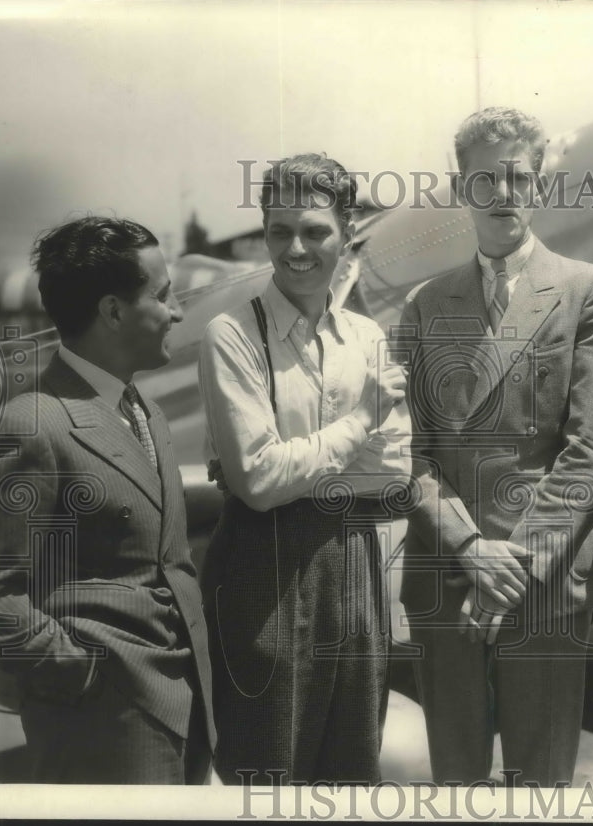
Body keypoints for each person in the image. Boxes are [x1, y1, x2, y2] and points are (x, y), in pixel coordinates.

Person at [393, 107, 593, 786]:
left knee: (541, 783)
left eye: (518, 177)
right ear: (461, 189)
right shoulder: (424, 305)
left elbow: (589, 449)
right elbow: (410, 450)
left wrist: (512, 572)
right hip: (447, 575)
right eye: (485, 179)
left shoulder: (588, 292)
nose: (504, 194)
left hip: (542, 583)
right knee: (456, 781)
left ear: (540, 184)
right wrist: (470, 549)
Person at [197, 153, 412, 785]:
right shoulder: (231, 335)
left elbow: (394, 481)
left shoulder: (368, 337)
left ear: (348, 230)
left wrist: (291, 462)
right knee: (267, 767)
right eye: (278, 230)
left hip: (353, 564)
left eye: (315, 230)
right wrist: (358, 424)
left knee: (351, 768)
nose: (296, 248)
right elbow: (260, 486)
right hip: (259, 572)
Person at [0, 216, 216, 784]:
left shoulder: (147, 413)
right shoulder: (33, 423)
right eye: (163, 296)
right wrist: (84, 676)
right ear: (113, 311)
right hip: (101, 727)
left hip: (189, 711)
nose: (179, 311)